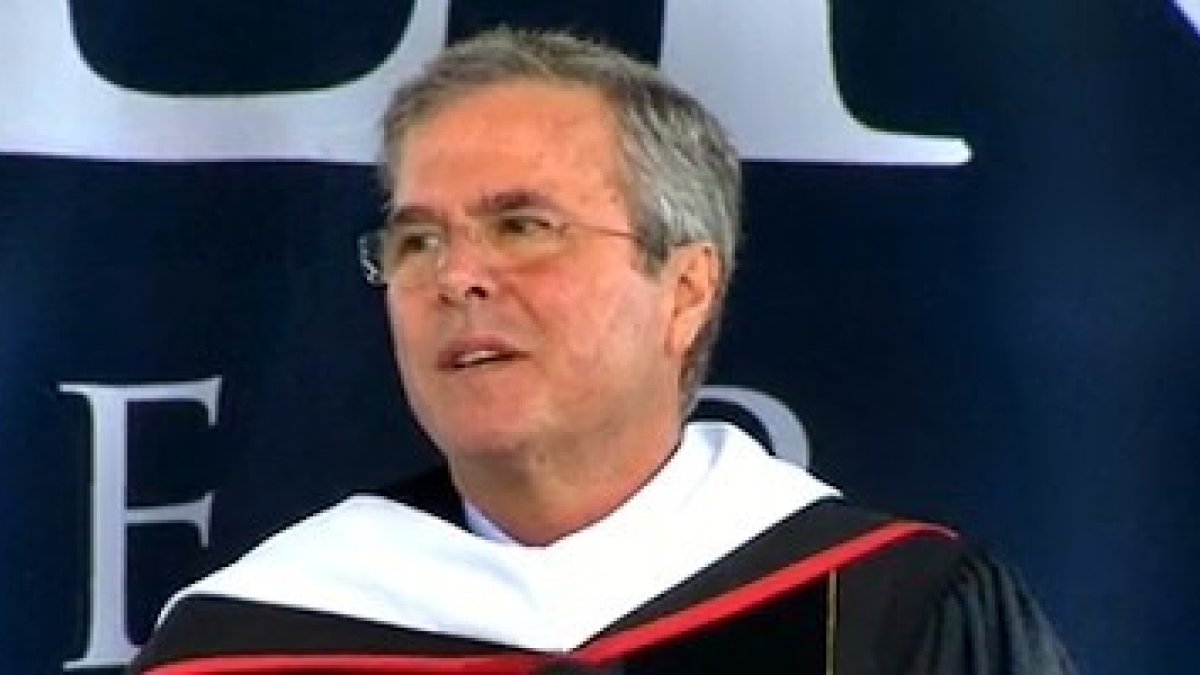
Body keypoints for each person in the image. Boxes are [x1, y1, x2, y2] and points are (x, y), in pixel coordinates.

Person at [132, 27, 1074, 674]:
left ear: (687, 289)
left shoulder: (891, 613)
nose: (457, 277)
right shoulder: (248, 638)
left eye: (523, 226)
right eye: (418, 239)